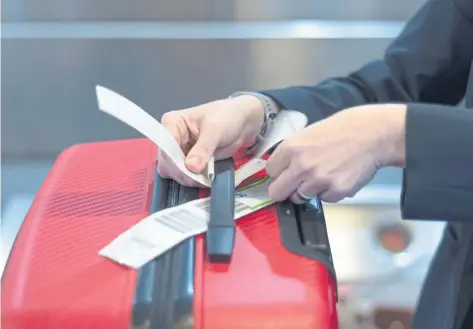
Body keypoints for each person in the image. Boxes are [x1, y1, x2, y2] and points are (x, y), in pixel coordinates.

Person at [158, 0, 473, 328]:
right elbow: (403, 81)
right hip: (452, 289)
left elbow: (393, 123)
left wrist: (397, 135)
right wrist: (264, 113)